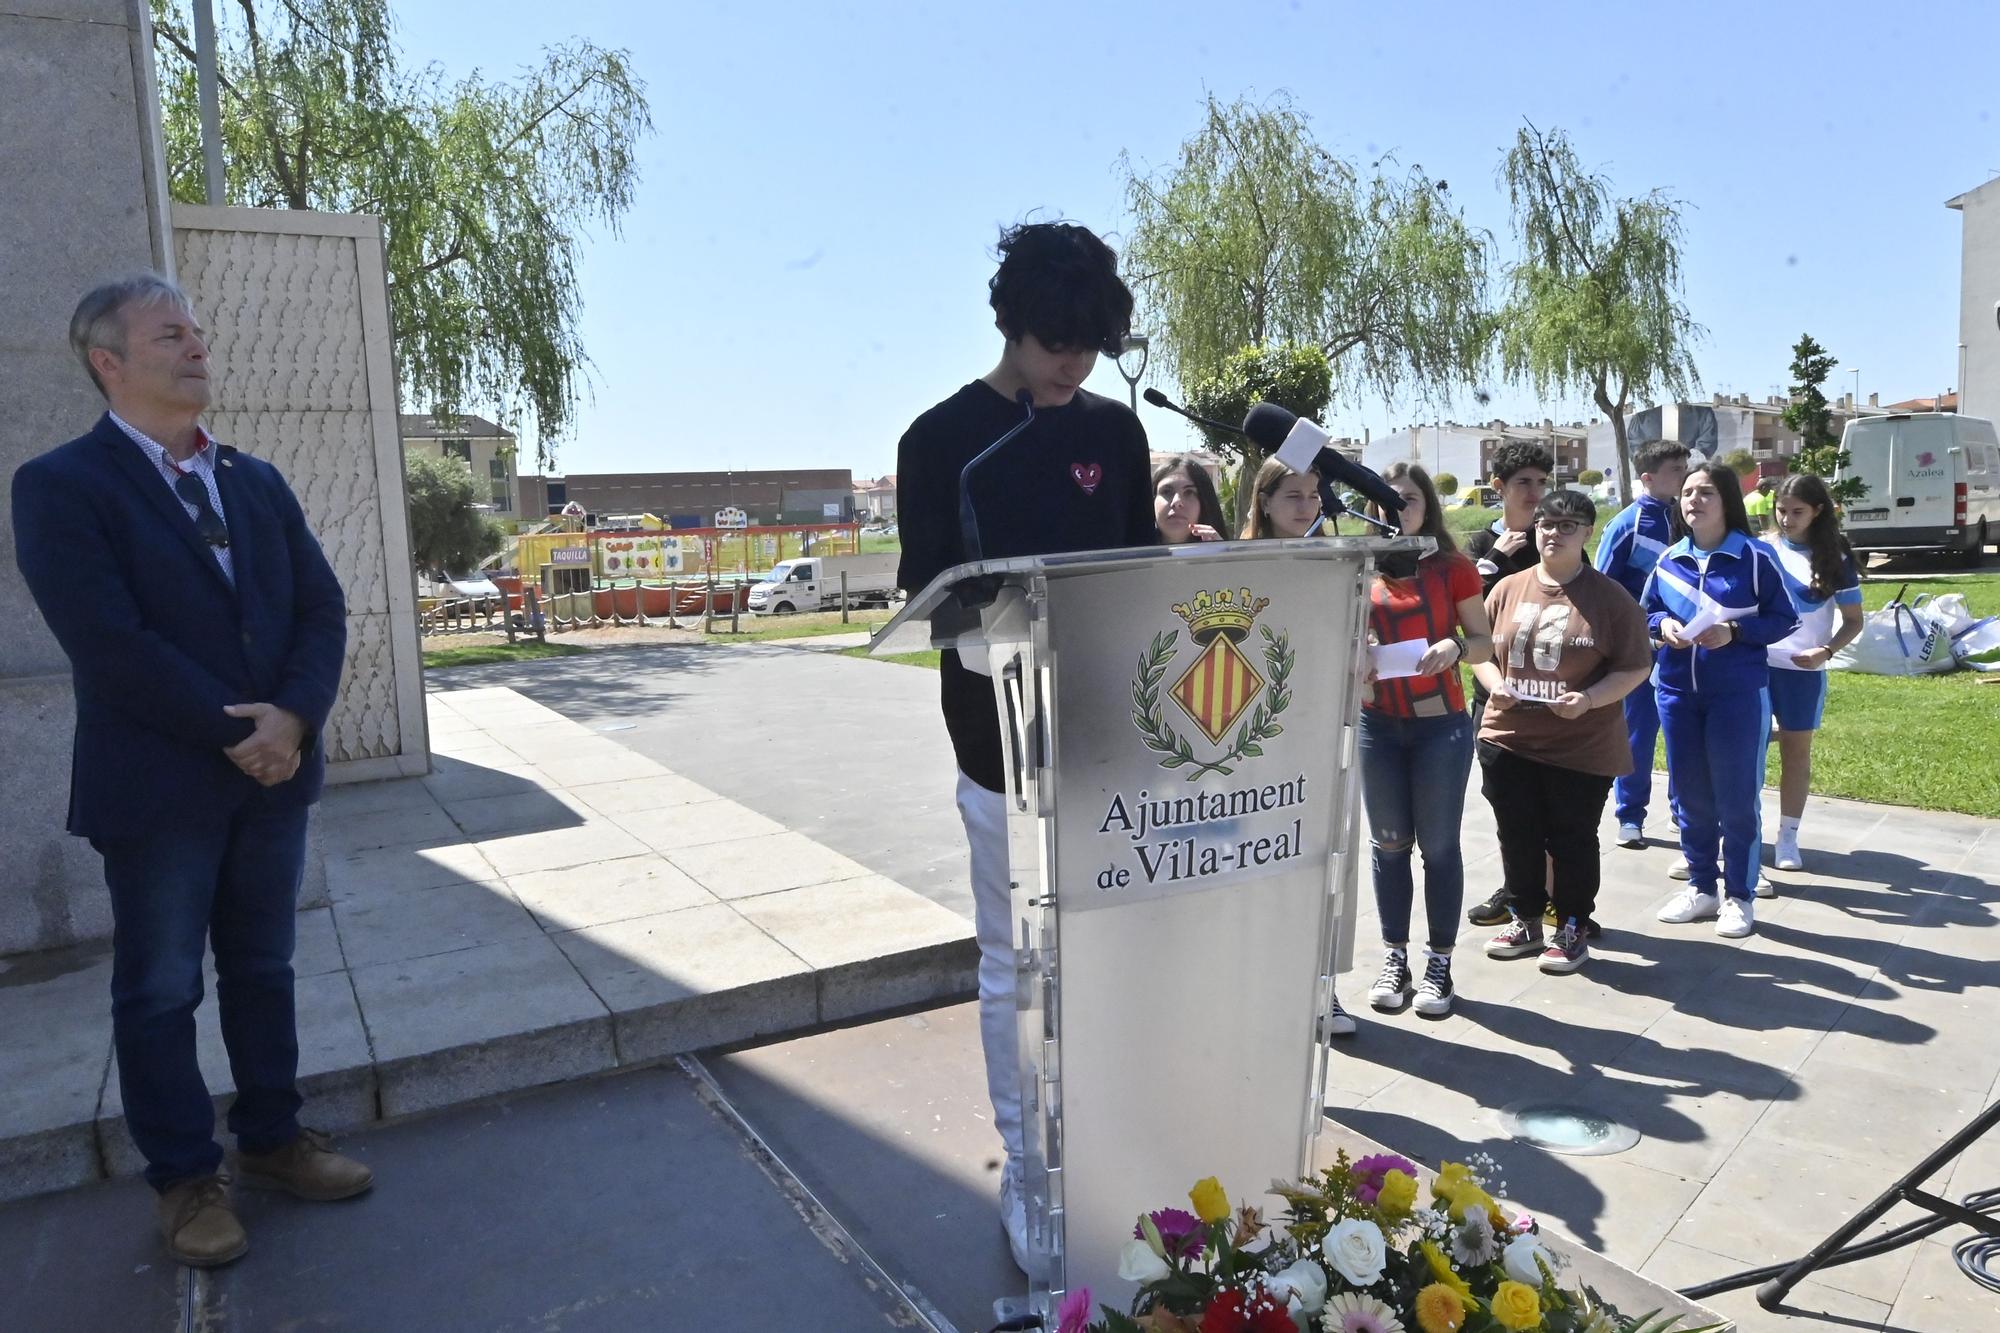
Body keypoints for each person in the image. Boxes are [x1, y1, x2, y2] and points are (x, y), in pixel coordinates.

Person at [11, 275, 365, 1268]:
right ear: (107, 360)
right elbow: (107, 640)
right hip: (159, 789)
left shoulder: (254, 481)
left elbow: (321, 611)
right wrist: (237, 731)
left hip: (272, 776)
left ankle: (274, 1140)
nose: (197, 346)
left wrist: (291, 717)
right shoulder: (60, 486)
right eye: (172, 333)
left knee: (263, 969)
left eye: (199, 332)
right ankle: (183, 1180)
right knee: (161, 988)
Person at [893, 221, 1152, 1274]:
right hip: (997, 742)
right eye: (1056, 343)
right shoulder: (940, 439)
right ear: (1011, 323)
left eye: (1088, 346)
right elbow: (929, 603)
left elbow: (1139, 576)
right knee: (1014, 963)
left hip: (1108, 742)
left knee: (1106, 954)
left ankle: (1112, 1139)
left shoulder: (1116, 433)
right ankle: (1026, 1164)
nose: (1072, 365)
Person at [1474, 491, 1652, 974]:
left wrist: (1590, 699)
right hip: (1508, 737)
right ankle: (1526, 918)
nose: (1554, 533)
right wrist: (1497, 687)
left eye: (1568, 525)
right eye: (1546, 524)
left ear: (1588, 533)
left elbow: (1635, 666)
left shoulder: (1611, 599)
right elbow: (1480, 653)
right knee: (1517, 835)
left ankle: (1571, 925)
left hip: (1581, 745)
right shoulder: (1508, 588)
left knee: (1572, 838)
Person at [1357, 463, 1493, 1018]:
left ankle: (1440, 961)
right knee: (1389, 844)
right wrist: (1357, 648)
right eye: (1386, 500)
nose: (1397, 508)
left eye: (1408, 499)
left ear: (1426, 507)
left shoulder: (1451, 568)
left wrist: (1457, 648)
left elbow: (1484, 643)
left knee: (1437, 847)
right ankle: (1395, 957)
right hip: (1377, 725)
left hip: (1441, 727)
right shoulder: (1356, 567)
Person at [1644, 461, 1799, 938]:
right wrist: (1661, 627)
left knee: (1736, 798)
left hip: (1737, 696)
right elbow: (1646, 612)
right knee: (1690, 797)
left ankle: (1740, 895)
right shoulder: (1669, 559)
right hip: (1675, 694)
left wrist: (1733, 632)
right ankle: (1701, 887)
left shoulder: (1755, 557)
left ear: (1727, 500)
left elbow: (1785, 618)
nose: (1694, 500)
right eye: (1688, 493)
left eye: (1706, 492)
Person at [1238, 458, 1358, 1036]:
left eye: (1314, 494)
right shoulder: (1235, 563)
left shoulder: (1339, 561)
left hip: (1320, 734)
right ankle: (1258, 986)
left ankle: (1322, 988)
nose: (1307, 506)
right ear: (1262, 500)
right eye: (1292, 495)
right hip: (1250, 744)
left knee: (1320, 866)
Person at [1462, 442, 1553, 930]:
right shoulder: (1480, 545)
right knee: (1506, 800)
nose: (1535, 494)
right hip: (1495, 694)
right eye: (1524, 483)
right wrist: (1496, 558)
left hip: (1551, 692)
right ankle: (1516, 888)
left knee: (1554, 799)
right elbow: (1463, 612)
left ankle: (1556, 895)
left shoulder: (1555, 540)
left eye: (1542, 483)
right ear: (1498, 488)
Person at [1760, 474, 1864, 877]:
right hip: (1757, 666)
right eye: (1782, 511)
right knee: (1747, 754)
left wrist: (1826, 651)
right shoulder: (1762, 549)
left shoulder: (1835, 556)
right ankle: (1742, 833)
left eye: (1797, 512)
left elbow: (1854, 621)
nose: (1787, 519)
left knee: (1795, 754)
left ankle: (1788, 835)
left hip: (1803, 673)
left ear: (1818, 511)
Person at [1593, 439, 1690, 850]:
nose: (1684, 478)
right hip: (1641, 650)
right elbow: (1601, 587)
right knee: (1639, 732)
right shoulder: (1627, 524)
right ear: (1648, 478)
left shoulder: (1693, 519)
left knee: (1684, 732)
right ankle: (1630, 815)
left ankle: (1683, 812)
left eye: (1686, 469)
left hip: (1688, 646)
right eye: (1676, 472)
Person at [1152, 455, 1226, 543]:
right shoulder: (1132, 552)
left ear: (1204, 503)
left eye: (1189, 492)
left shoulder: (1226, 553)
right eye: (1167, 491)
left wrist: (1223, 553)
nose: (1177, 502)